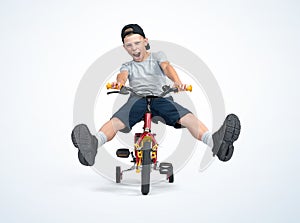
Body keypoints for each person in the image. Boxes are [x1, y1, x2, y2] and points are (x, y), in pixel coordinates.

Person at [71, 24, 241, 166]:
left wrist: (176, 81)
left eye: (137, 43)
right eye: (129, 45)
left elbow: (166, 67)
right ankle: (93, 144)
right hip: (137, 100)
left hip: (161, 98)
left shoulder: (158, 56)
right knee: (116, 122)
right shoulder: (127, 65)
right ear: (124, 47)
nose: (134, 48)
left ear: (145, 41)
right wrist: (120, 83)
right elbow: (122, 76)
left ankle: (215, 142)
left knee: (188, 118)